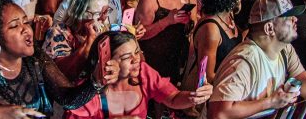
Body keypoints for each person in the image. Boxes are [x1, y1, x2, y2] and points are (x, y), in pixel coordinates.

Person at [0, 0, 119, 119]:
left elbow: (67, 99)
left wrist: (96, 81)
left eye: (25, 22)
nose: (26, 29)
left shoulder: (35, 59)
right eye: (14, 26)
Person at [206, 0, 306, 119]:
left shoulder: (285, 49)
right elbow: (219, 113)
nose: (295, 19)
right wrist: (271, 102)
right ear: (269, 28)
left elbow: (302, 77)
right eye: (288, 17)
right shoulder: (244, 62)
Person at [66, 31, 213, 118]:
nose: (136, 59)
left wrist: (194, 97)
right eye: (126, 57)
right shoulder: (89, 93)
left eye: (137, 52)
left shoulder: (143, 73)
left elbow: (173, 98)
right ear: (106, 62)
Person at [135, 0, 197, 86]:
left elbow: (194, 25)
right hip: (154, 59)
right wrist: (167, 20)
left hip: (178, 57)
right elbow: (140, 35)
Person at [184, 0, 244, 89]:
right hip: (205, 95)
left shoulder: (229, 14)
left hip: (223, 87)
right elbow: (207, 76)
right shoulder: (211, 28)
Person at [42, 0, 111, 81]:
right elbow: (61, 72)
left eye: (105, 12)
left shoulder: (103, 30)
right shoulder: (59, 32)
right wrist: (89, 42)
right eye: (97, 13)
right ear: (80, 13)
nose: (103, 18)